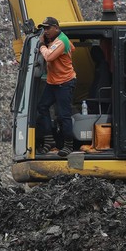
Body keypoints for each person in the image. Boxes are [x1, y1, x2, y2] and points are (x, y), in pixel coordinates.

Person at [37, 16, 77, 157]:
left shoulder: (61, 41)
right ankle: (49, 140)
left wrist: (42, 45)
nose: (45, 31)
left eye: (48, 28)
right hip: (52, 82)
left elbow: (48, 57)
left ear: (56, 28)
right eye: (44, 29)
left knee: (63, 114)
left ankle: (68, 145)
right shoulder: (57, 41)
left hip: (64, 82)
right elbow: (73, 48)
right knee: (42, 107)